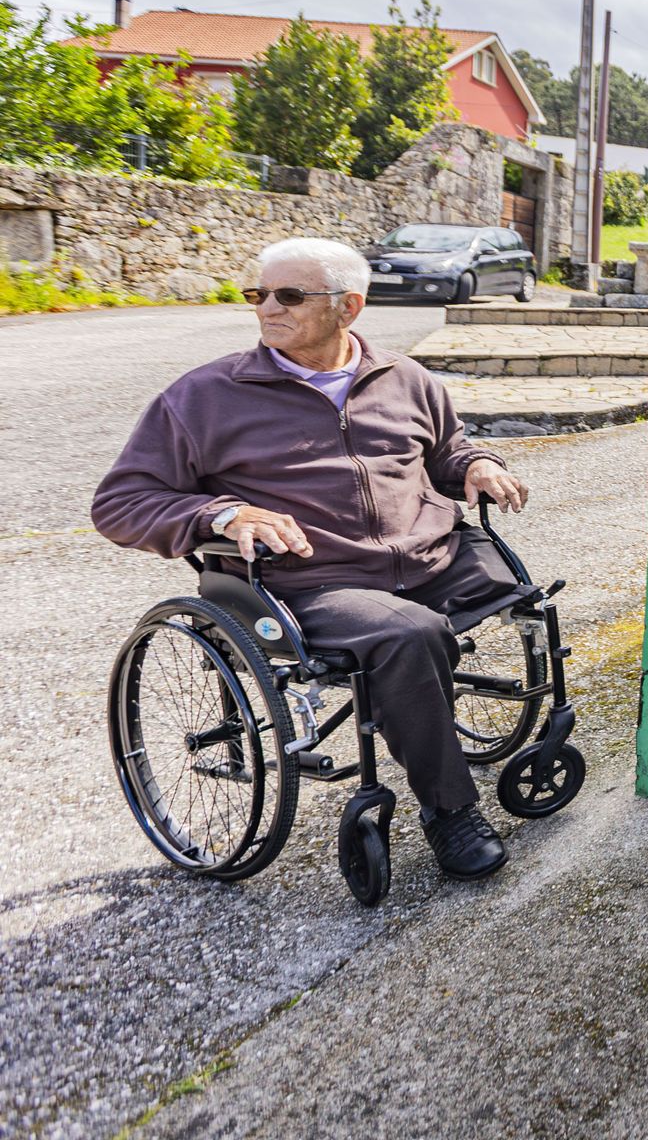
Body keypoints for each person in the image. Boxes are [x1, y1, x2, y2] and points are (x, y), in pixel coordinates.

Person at [92, 237, 528, 880]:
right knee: (410, 635)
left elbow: (447, 451)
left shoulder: (407, 379)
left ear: (349, 306)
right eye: (257, 295)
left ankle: (426, 712)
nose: (267, 308)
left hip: (428, 555)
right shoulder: (204, 397)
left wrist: (478, 464)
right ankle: (449, 811)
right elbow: (121, 501)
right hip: (310, 580)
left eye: (289, 295)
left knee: (524, 594)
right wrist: (219, 514)